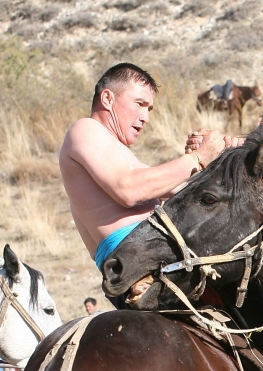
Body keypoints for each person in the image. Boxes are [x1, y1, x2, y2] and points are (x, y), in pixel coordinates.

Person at [59, 63, 228, 279]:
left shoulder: (117, 152)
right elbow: (128, 190)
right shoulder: (84, 129)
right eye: (139, 104)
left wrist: (213, 159)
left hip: (153, 252)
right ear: (108, 99)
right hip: (136, 259)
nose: (145, 117)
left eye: (149, 109)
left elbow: (180, 190)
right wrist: (196, 158)